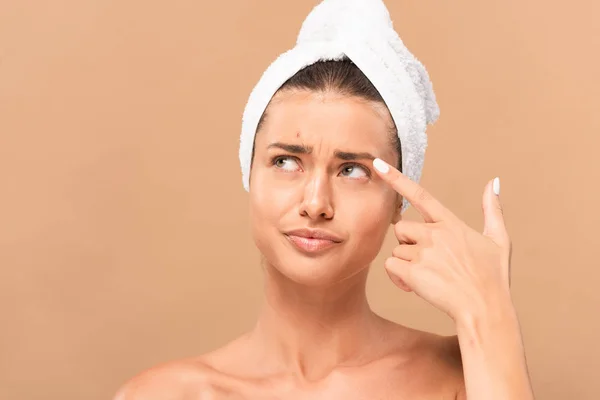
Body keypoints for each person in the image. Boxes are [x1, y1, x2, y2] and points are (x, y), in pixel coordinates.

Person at [115, 1, 535, 399]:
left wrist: (490, 313)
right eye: (286, 161)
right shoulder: (164, 394)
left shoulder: (465, 376)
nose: (316, 203)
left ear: (397, 201)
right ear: (249, 172)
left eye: (352, 170)